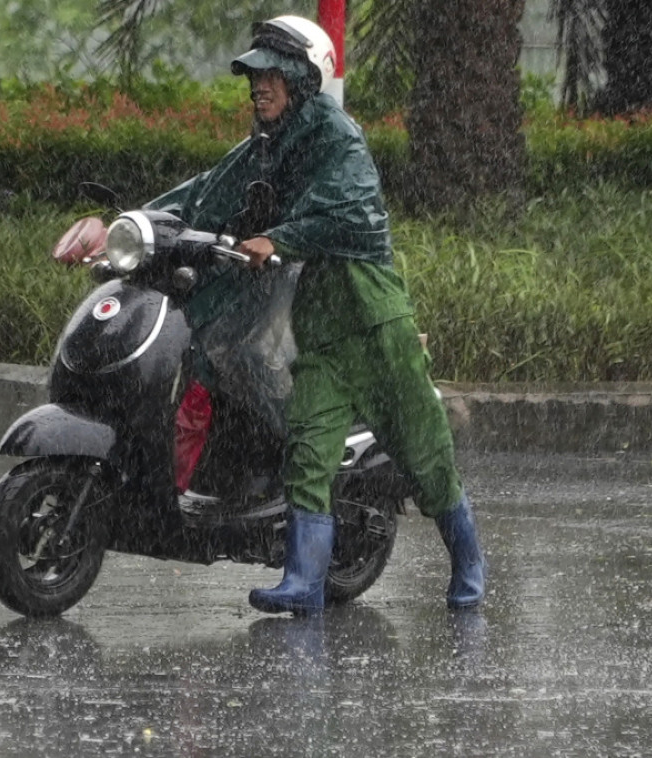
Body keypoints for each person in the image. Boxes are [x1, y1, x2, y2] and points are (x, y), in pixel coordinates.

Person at [148, 15, 486, 614]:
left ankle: (469, 568)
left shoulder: (337, 135)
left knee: (427, 458)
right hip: (323, 335)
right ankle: (304, 581)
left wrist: (278, 238)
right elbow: (206, 193)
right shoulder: (264, 146)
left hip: (374, 323)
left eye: (272, 75)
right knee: (306, 457)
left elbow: (346, 209)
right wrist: (133, 226)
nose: (259, 87)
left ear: (304, 79)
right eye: (254, 77)